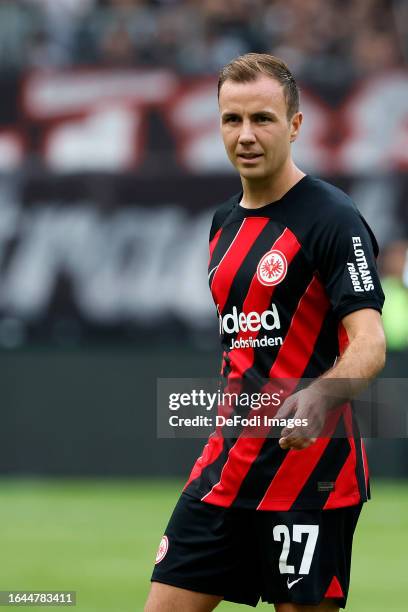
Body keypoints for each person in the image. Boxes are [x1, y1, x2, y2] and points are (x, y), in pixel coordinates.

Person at [145, 53, 386, 611]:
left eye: (263, 119)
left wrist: (320, 395)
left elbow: (370, 342)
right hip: (226, 467)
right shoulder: (222, 224)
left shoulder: (333, 217)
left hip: (310, 478)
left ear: (296, 125)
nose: (245, 135)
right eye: (232, 119)